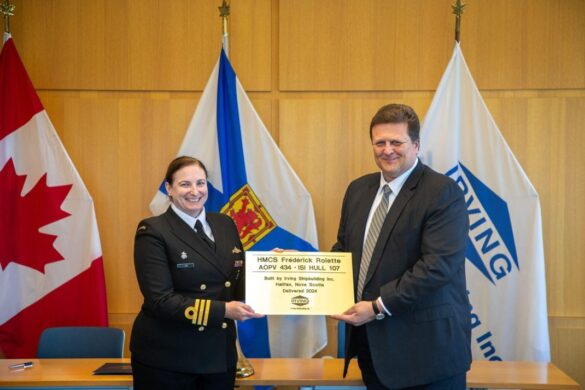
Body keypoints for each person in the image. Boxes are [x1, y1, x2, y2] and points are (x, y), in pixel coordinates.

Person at [331, 104, 471, 389]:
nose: (387, 150)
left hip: (427, 356)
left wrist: (378, 306)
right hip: (373, 350)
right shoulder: (358, 190)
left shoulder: (442, 192)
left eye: (397, 142)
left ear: (416, 145)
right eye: (380, 142)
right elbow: (345, 252)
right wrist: (309, 269)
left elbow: (437, 266)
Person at [130, 156, 262, 390]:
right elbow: (160, 300)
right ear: (169, 189)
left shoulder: (224, 223)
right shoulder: (152, 230)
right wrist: (224, 310)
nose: (195, 191)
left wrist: (272, 265)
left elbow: (234, 278)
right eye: (185, 184)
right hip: (168, 357)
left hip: (219, 354)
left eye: (200, 183)